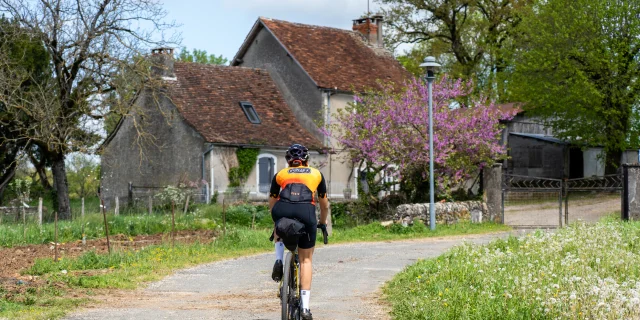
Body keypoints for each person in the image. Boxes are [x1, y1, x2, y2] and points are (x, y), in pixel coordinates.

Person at [269, 143, 329, 320]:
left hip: (282, 209)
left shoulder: (280, 174)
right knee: (306, 260)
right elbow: (324, 204)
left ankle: (279, 259)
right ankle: (305, 307)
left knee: (278, 226)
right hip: (306, 211)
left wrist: (276, 220)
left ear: (289, 160)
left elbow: (272, 201)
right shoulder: (316, 173)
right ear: (306, 160)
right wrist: (322, 222)